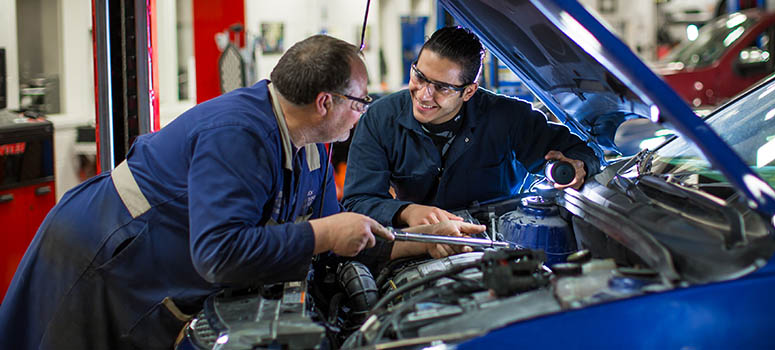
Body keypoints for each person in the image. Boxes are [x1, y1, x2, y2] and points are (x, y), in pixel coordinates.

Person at [0, 35, 482, 350]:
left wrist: (429, 240)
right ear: (324, 102)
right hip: (100, 256)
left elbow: (342, 239)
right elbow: (219, 252)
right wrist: (322, 233)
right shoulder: (240, 135)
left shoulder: (311, 143)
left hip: (158, 262)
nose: (364, 113)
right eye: (360, 102)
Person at [342, 26, 601, 227]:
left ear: (469, 91)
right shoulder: (380, 119)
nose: (423, 95)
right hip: (417, 247)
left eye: (441, 87)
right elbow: (358, 200)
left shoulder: (508, 117)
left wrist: (579, 165)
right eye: (419, 77)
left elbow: (585, 153)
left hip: (498, 244)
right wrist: (407, 212)